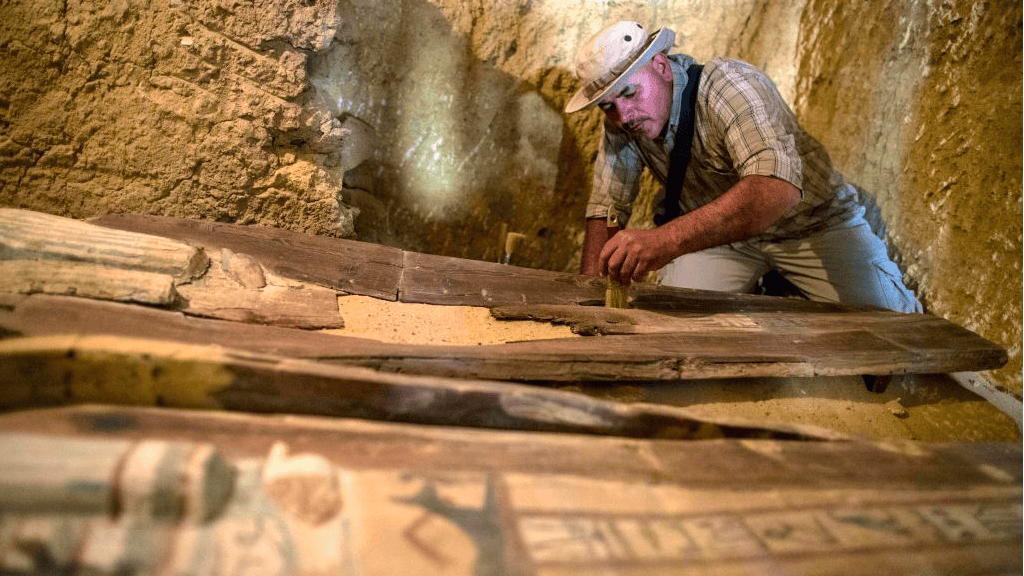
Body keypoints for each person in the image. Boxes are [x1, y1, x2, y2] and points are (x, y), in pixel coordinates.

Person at [566, 21, 921, 313]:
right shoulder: (622, 120)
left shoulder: (728, 85)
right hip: (721, 241)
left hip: (811, 226)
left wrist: (664, 241)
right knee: (669, 323)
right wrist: (592, 299)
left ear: (660, 66)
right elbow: (606, 208)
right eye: (608, 106)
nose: (622, 115)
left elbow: (774, 191)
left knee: (896, 328)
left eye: (629, 93)